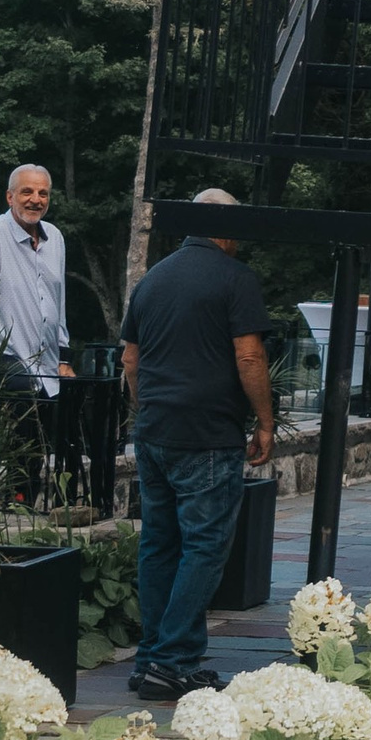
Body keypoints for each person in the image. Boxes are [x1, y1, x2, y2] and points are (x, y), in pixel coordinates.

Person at [119, 191, 273, 704]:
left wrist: (147, 412)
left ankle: (149, 661)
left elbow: (131, 363)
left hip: (155, 432)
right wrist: (266, 424)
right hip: (207, 434)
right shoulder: (236, 277)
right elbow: (249, 357)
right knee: (204, 547)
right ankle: (174, 660)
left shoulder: (153, 279)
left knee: (159, 545)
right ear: (225, 228)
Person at [0, 165, 74, 503]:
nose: (35, 200)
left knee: (72, 419)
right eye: (27, 192)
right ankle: (17, 507)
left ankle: (62, 505)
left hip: (44, 360)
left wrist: (64, 356)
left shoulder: (55, 238)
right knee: (22, 426)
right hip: (0, 357)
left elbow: (57, 302)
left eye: (43, 193)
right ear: (10, 196)